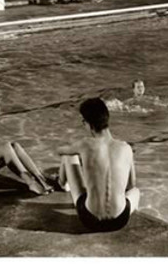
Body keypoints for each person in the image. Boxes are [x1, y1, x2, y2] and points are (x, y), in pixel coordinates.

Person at [57, 98, 140, 232]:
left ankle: (61, 183)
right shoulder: (126, 148)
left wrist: (75, 151)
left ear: (87, 123)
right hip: (120, 221)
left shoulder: (85, 144)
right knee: (136, 192)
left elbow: (60, 151)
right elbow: (131, 185)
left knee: (68, 155)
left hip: (90, 220)